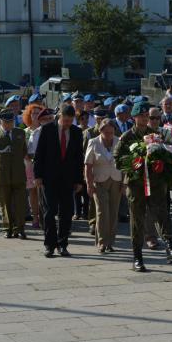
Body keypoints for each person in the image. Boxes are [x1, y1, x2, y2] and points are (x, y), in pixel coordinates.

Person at [114, 102, 172, 272]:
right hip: (136, 185)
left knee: (162, 214)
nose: (145, 118)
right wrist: (133, 163)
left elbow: (167, 153)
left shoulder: (157, 135)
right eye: (142, 115)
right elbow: (117, 159)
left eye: (147, 116)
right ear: (134, 118)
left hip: (156, 184)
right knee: (137, 220)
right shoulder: (127, 137)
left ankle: (170, 248)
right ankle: (137, 257)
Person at [34, 105, 85, 258]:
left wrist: (78, 180)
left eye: (70, 121)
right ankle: (49, 245)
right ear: (59, 116)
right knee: (49, 212)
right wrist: (38, 176)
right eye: (65, 120)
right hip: (49, 178)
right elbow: (39, 155)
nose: (68, 124)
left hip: (68, 179)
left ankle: (63, 244)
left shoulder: (76, 132)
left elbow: (78, 158)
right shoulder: (47, 130)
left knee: (66, 212)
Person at [0, 110, 28, 239]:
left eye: (11, 121)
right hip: (1, 175)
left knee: (20, 204)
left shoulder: (20, 133)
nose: (9, 124)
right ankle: (7, 228)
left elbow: (23, 151)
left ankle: (20, 229)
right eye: (6, 122)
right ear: (1, 122)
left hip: (18, 174)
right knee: (5, 204)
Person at [85, 118, 123, 254]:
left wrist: (124, 183)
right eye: (106, 132)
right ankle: (102, 242)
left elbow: (124, 163)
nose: (109, 135)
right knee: (102, 212)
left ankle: (110, 242)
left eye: (111, 132)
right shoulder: (93, 142)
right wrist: (89, 184)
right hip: (99, 181)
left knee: (113, 212)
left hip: (116, 180)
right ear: (100, 131)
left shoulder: (119, 141)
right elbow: (88, 165)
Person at [22, 104, 43, 228]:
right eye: (33, 113)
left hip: (42, 166)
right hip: (29, 165)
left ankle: (43, 216)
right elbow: (21, 149)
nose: (35, 115)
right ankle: (35, 217)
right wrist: (25, 154)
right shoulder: (24, 132)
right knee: (33, 193)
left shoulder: (45, 130)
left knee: (43, 193)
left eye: (38, 113)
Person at [73, 110, 90, 220]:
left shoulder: (90, 131)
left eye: (87, 118)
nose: (85, 120)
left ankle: (86, 212)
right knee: (77, 189)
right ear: (78, 119)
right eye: (82, 118)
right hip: (77, 163)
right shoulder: (75, 130)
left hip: (87, 162)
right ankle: (77, 212)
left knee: (86, 189)